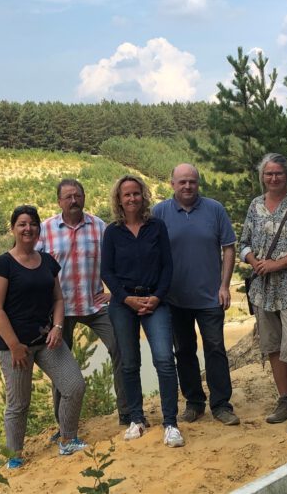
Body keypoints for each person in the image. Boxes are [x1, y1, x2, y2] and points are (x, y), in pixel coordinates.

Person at [0, 205, 87, 469]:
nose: (27, 228)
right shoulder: (3, 263)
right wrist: (14, 345)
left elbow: (57, 299)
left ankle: (68, 440)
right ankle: (14, 455)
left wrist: (57, 327)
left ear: (39, 229)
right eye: (22, 224)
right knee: (19, 404)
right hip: (15, 346)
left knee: (74, 385)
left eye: (32, 223)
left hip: (47, 339)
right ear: (13, 229)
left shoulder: (47, 261)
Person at [37, 179, 130, 431]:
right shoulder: (45, 230)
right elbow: (31, 265)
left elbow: (119, 262)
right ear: (59, 201)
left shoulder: (99, 227)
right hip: (59, 310)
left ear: (84, 197)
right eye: (68, 197)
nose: (74, 200)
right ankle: (64, 425)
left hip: (95, 304)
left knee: (121, 348)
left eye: (77, 195)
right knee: (60, 367)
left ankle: (127, 413)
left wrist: (115, 294)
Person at [100, 175, 185, 447]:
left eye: (136, 193)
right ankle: (136, 418)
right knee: (129, 362)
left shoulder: (156, 227)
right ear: (119, 199)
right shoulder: (113, 231)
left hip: (154, 301)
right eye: (127, 195)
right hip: (123, 304)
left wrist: (157, 297)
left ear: (143, 196)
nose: (132, 198)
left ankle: (170, 422)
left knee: (163, 360)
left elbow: (167, 267)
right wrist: (126, 299)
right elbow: (107, 272)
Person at [152, 164, 240, 427]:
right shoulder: (160, 212)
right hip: (174, 298)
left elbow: (229, 248)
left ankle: (222, 405)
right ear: (172, 184)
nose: (187, 186)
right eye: (182, 182)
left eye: (192, 181)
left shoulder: (214, 209)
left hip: (210, 296)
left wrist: (224, 286)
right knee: (184, 350)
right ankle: (194, 402)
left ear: (198, 183)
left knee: (215, 349)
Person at [239, 153, 287, 435]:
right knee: (272, 347)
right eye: (268, 174)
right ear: (262, 176)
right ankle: (284, 400)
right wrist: (253, 261)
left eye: (278, 174)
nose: (273, 178)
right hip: (263, 290)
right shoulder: (255, 205)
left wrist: (277, 264)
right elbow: (244, 243)